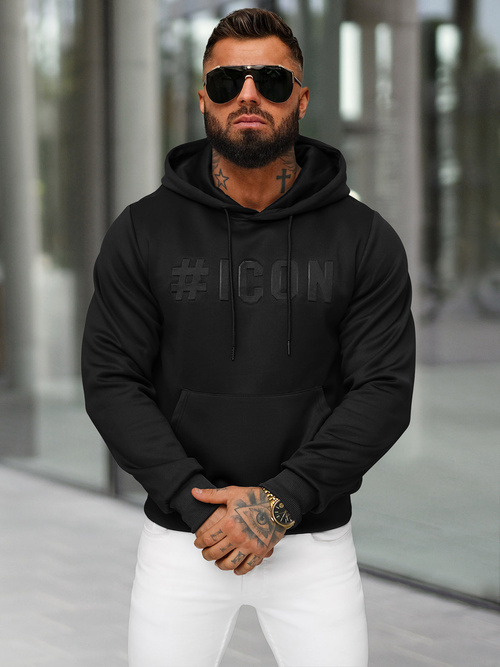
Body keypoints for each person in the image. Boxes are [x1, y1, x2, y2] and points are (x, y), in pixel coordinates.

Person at [81, 8, 415, 667]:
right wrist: (195, 503)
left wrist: (279, 504)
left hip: (313, 543)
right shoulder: (143, 232)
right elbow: (112, 380)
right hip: (185, 539)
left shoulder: (364, 238)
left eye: (272, 80)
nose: (249, 95)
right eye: (228, 81)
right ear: (204, 97)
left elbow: (383, 391)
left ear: (303, 98)